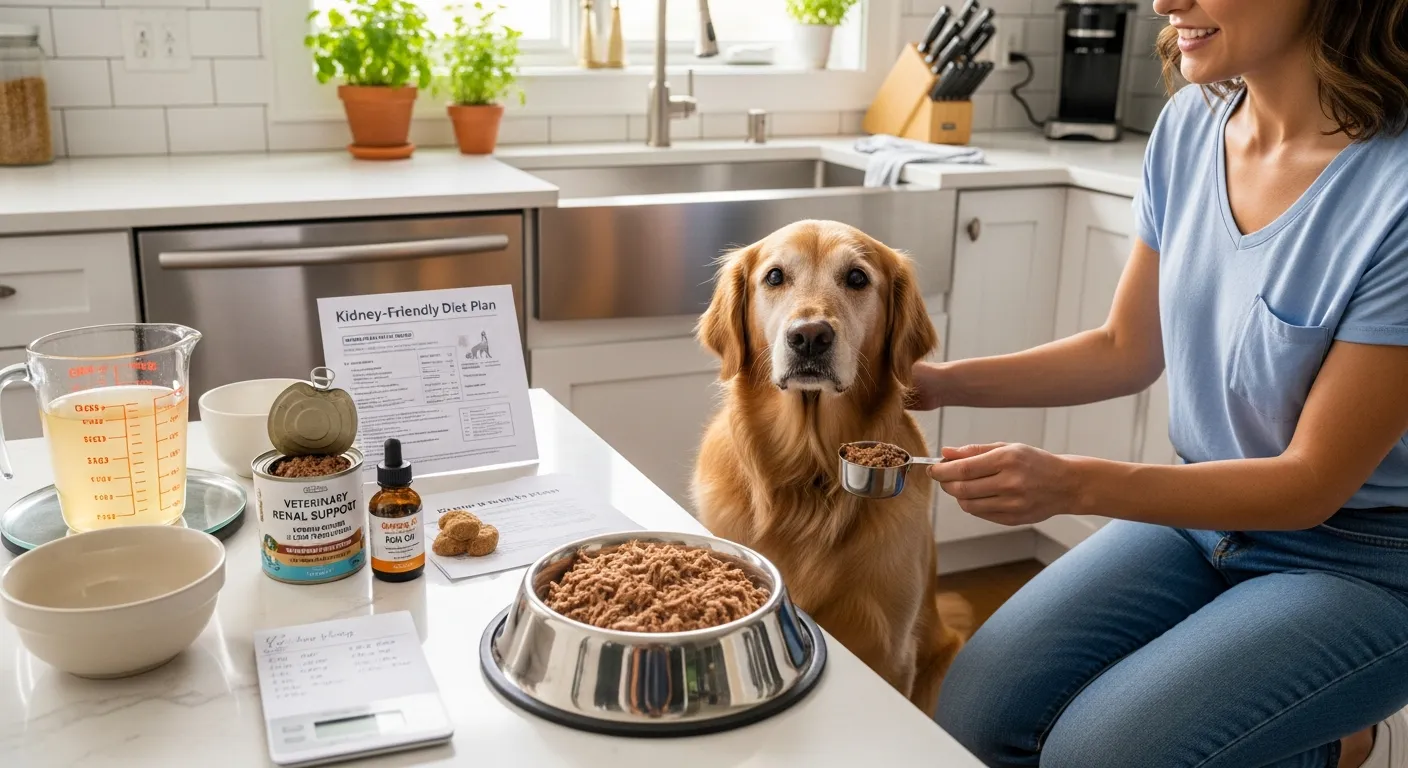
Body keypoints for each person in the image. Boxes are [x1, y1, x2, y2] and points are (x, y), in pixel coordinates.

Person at [912, 1, 1408, 766]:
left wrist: (1071, 484)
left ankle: (1335, 743)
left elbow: (1309, 485)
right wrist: (939, 383)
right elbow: (1123, 348)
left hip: (1360, 557)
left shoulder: (1396, 192)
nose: (1164, 1)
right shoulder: (1188, 128)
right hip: (1197, 516)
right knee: (972, 713)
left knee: (1097, 755)